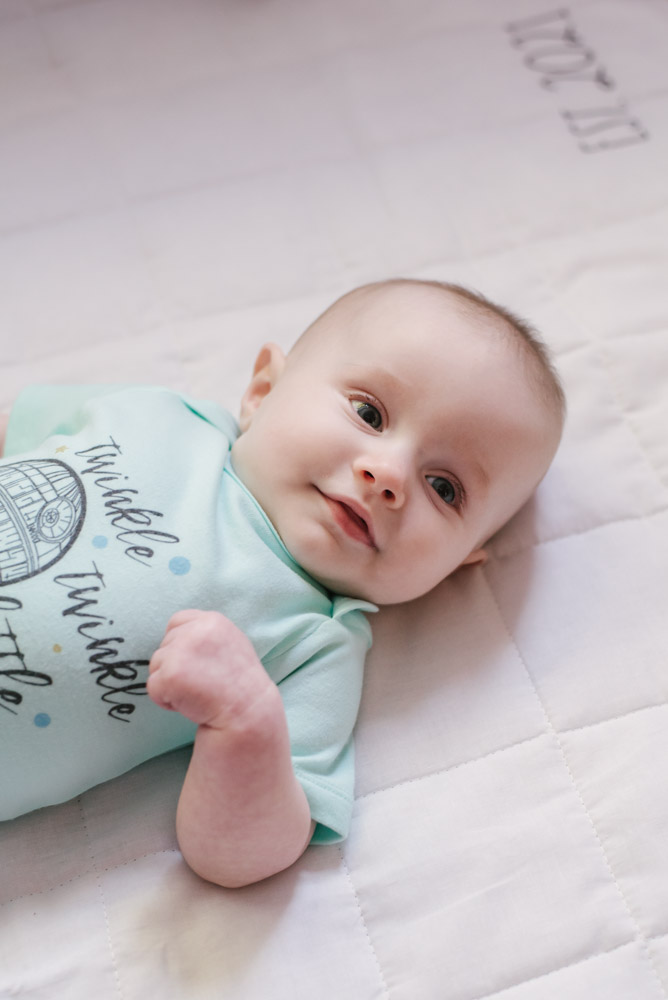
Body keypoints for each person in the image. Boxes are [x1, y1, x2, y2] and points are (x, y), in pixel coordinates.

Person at [0, 278, 565, 888]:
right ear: (263, 391)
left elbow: (240, 855)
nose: (389, 475)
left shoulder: (316, 643)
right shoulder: (161, 415)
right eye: (369, 413)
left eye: (445, 488)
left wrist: (244, 719)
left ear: (459, 562)